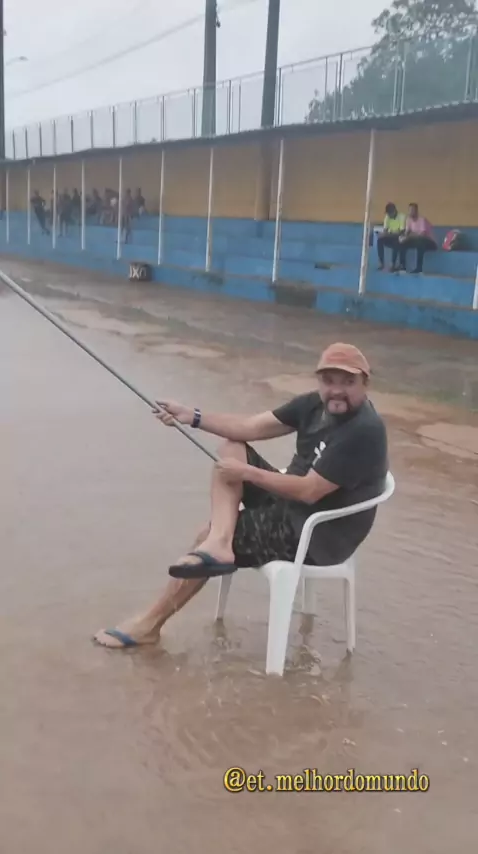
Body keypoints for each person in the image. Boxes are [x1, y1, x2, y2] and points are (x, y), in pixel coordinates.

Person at [93, 342, 389, 649]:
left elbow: (309, 491)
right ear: (319, 381)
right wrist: (191, 416)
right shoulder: (314, 405)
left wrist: (247, 474)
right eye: (329, 381)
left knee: (205, 534)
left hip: (317, 533)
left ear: (365, 384)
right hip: (291, 507)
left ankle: (149, 625)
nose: (336, 390)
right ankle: (220, 541)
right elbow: (248, 427)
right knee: (232, 446)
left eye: (348, 382)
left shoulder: (363, 431)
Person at [398, 203, 437, 274]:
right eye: (409, 210)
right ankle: (402, 266)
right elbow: (407, 233)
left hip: (429, 242)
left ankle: (419, 268)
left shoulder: (422, 220)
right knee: (402, 243)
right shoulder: (408, 220)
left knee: (420, 243)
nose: (411, 212)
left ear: (416, 211)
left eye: (412, 210)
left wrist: (410, 235)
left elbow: (422, 235)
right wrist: (403, 237)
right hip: (417, 240)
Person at [377, 203, 406, 271]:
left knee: (396, 242)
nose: (389, 215)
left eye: (390, 213)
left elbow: (401, 232)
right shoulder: (387, 217)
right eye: (388, 213)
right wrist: (383, 234)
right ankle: (381, 263)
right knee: (380, 240)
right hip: (390, 235)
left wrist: (388, 234)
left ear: (394, 211)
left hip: (399, 237)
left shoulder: (402, 217)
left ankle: (393, 264)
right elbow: (385, 230)